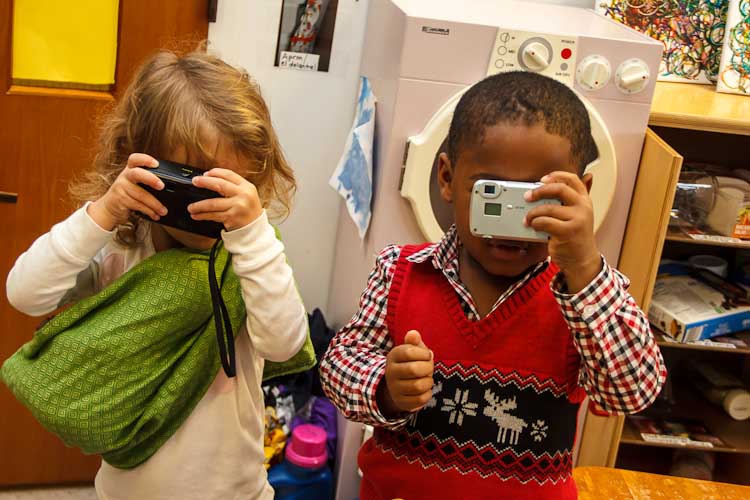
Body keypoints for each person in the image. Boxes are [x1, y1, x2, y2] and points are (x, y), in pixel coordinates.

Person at [320, 71, 666, 500]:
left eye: (538, 196)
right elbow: (338, 367)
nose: (515, 221)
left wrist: (584, 268)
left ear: (582, 193)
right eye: (493, 193)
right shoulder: (400, 271)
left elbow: (632, 394)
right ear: (446, 178)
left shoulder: (588, 295)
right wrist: (385, 388)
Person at [5, 49, 307, 500]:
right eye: (193, 185)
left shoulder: (252, 256)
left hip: (236, 492)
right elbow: (24, 293)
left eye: (227, 187)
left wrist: (251, 233)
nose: (209, 209)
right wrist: (101, 214)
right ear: (141, 163)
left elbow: (283, 342)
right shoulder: (122, 246)